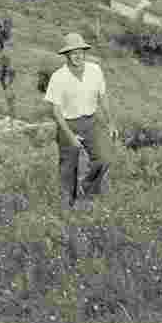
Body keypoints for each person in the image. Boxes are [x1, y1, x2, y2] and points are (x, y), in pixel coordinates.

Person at [44, 32, 119, 208]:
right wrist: (70, 136)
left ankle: (87, 191)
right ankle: (67, 205)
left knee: (104, 159)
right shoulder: (58, 77)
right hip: (68, 124)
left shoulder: (95, 70)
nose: (78, 56)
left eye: (80, 52)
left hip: (91, 122)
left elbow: (103, 97)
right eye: (73, 52)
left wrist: (111, 122)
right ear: (66, 55)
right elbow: (56, 111)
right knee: (68, 168)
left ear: (84, 52)